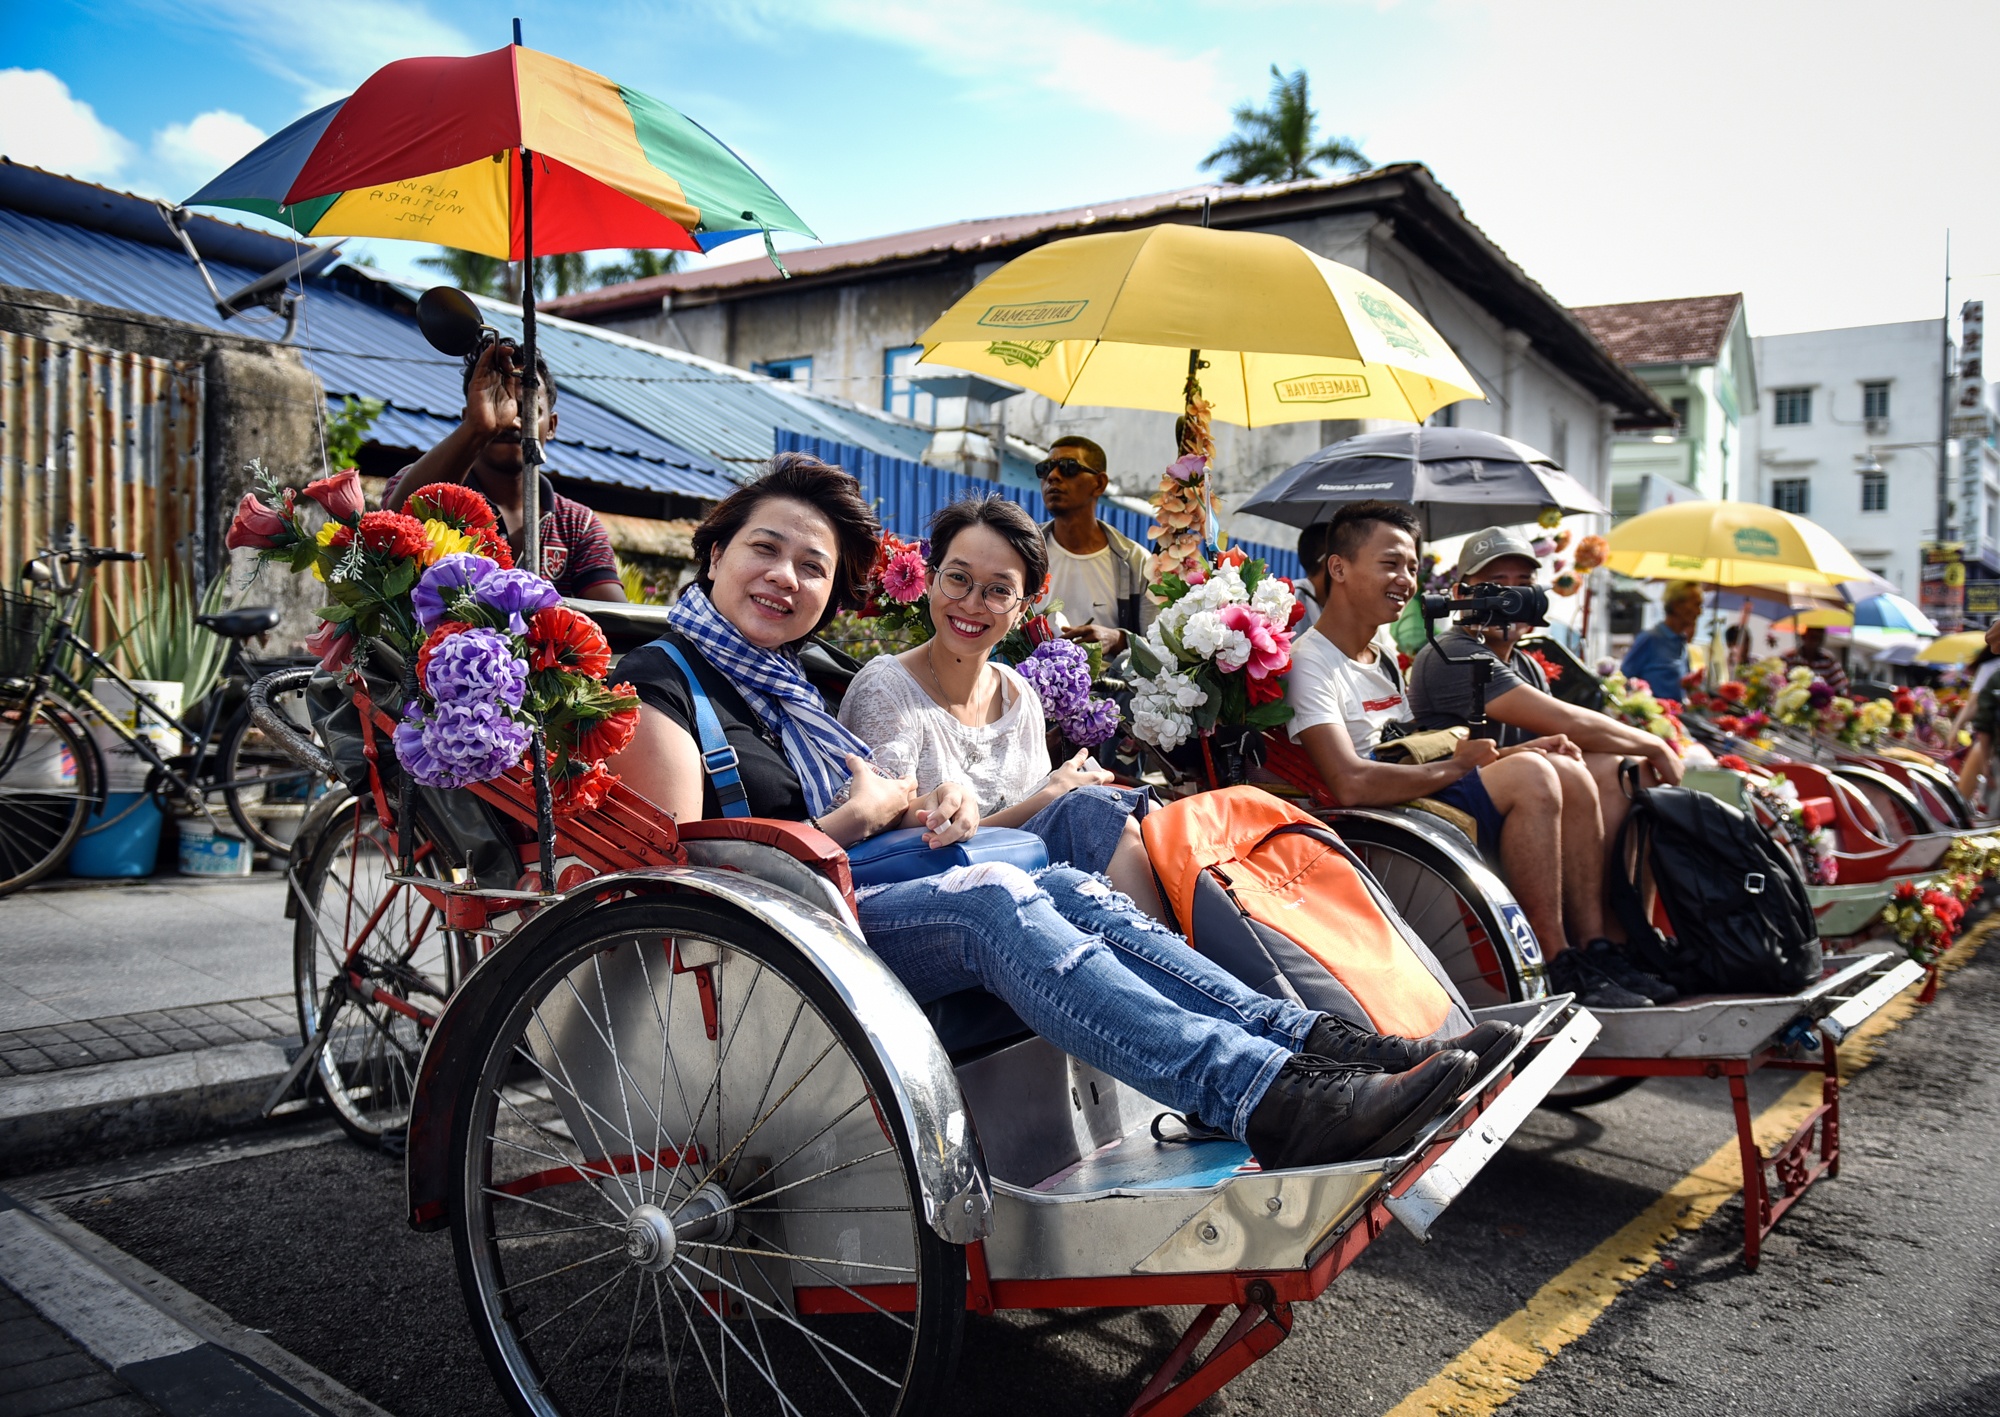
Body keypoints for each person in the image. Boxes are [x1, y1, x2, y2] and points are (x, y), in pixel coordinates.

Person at [609, 455, 1509, 1170]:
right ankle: (1268, 1097)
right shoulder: (663, 683)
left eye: (813, 565)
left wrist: (935, 797)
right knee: (996, 897)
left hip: (853, 901)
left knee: (1075, 884)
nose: (785, 577)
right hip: (773, 949)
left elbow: (880, 806)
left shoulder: (789, 685)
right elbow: (681, 883)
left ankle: (1320, 1047)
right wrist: (858, 815)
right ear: (715, 549)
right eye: (765, 550)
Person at [1286, 504, 1662, 1010]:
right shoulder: (1310, 662)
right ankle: (1554, 965)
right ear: (1338, 568)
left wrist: (1509, 751)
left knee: (1567, 768)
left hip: (1414, 793)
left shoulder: (1378, 658)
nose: (1405, 580)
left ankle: (1593, 948)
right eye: (1390, 564)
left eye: (1413, 568)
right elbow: (1349, 782)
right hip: (1372, 818)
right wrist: (1464, 765)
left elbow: (1411, 747)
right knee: (1534, 775)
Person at [838, 496, 1164, 916]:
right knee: (1095, 816)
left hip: (1027, 903)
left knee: (1129, 817)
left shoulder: (1018, 694)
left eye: (999, 590)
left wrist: (1059, 794)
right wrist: (1050, 797)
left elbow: (1028, 841)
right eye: (958, 578)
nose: (972, 604)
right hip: (928, 910)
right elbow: (892, 850)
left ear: (1025, 605)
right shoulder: (886, 691)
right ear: (931, 578)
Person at [1405, 525, 1686, 1003]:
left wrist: (1639, 753)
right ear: (1461, 594)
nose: (1509, 595)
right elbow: (1562, 720)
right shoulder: (1452, 652)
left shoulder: (1529, 663)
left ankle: (1612, 946)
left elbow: (1564, 735)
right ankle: (1560, 959)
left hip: (1527, 796)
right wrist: (1655, 743)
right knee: (1577, 766)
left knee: (1617, 768)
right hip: (1462, 808)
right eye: (1495, 583)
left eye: (1521, 582)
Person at [384, 342, 625, 601]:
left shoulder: (576, 523)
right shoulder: (420, 485)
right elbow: (392, 529)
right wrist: (479, 428)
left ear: (552, 426)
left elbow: (614, 616)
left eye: (527, 410)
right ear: (469, 417)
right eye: (496, 404)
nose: (510, 421)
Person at [1034, 436, 1156, 655]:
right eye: (1045, 469)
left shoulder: (1137, 563)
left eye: (1068, 467)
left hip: (1110, 687)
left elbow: (1158, 648)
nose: (1052, 476)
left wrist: (1119, 639)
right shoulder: (1024, 552)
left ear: (1099, 483)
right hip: (1029, 687)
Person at [1620, 581, 1701, 702]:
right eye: (1696, 605)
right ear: (1677, 605)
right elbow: (1623, 679)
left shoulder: (1681, 641)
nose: (1699, 612)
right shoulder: (1650, 638)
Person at [1783, 625, 1851, 697]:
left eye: (1819, 638)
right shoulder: (1789, 658)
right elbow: (1779, 683)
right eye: (1813, 637)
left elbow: (1840, 686)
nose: (1815, 642)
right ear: (1803, 637)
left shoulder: (1829, 660)